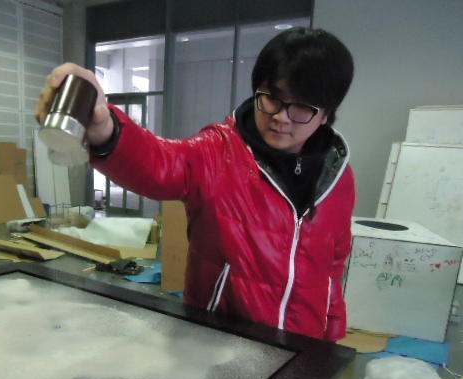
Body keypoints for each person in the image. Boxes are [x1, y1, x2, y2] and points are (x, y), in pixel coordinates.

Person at [36, 27, 355, 342]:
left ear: (326, 115)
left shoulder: (337, 175)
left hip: (303, 345)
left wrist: (331, 336)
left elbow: (334, 264)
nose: (281, 117)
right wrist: (106, 130)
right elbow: (160, 163)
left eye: (301, 107)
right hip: (221, 342)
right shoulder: (219, 152)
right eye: (272, 98)